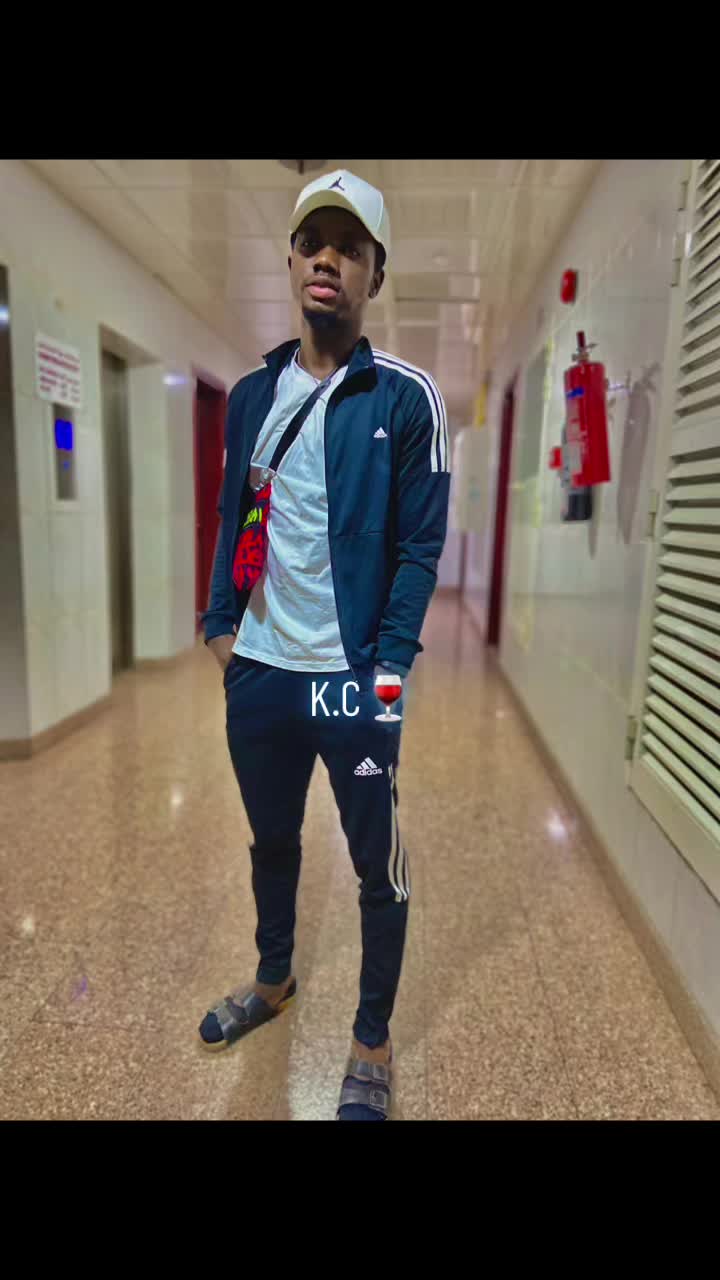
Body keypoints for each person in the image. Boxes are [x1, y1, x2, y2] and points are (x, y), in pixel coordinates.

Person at [199, 169, 450, 1120]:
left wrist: (386, 669)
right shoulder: (253, 395)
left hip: (351, 679)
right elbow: (236, 513)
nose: (328, 260)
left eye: (351, 247)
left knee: (375, 863)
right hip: (262, 673)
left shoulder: (406, 398)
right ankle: (274, 980)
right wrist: (219, 628)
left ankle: (371, 1041)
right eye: (314, 243)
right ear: (292, 260)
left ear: (374, 273)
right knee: (271, 840)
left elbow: (420, 548)